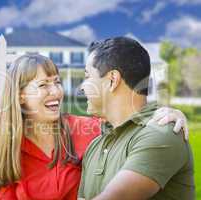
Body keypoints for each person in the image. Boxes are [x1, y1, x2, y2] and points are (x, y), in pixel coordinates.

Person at [0, 54, 189, 200]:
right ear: (20, 96)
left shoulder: (87, 129)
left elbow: (130, 121)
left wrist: (163, 113)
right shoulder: (11, 151)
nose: (56, 92)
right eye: (43, 85)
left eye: (57, 82)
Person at [78, 37, 195, 200]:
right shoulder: (95, 146)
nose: (82, 87)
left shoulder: (162, 131)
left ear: (112, 80)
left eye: (87, 76)